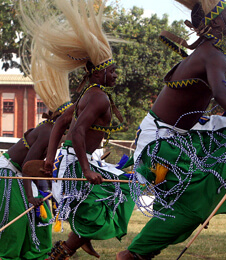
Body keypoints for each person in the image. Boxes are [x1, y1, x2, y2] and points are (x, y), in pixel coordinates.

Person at [117, 0, 226, 259]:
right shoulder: (211, 54)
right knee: (197, 204)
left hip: (177, 138)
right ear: (216, 21)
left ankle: (143, 250)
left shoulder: (210, 54)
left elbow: (219, 97)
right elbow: (221, 92)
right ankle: (134, 254)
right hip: (159, 145)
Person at [19, 0, 134, 258]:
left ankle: (73, 243)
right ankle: (72, 243)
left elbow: (61, 123)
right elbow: (78, 132)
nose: (116, 75)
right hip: (76, 163)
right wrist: (85, 168)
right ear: (98, 72)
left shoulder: (88, 93)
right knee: (123, 188)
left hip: (72, 160)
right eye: (112, 71)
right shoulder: (97, 97)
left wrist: (50, 159)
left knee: (116, 190)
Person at [0, 48, 72, 259]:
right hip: (9, 174)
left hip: (25, 177)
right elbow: (28, 166)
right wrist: (31, 196)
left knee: (43, 217)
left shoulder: (55, 132)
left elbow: (38, 168)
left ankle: (36, 255)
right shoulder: (48, 130)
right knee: (17, 220)